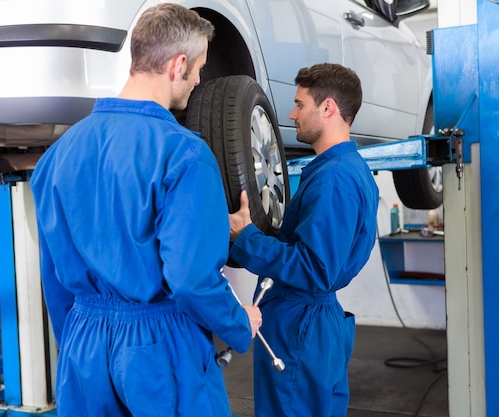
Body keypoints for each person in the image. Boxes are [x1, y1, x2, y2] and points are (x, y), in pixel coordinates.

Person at [30, 4, 262, 416]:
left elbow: (54, 276)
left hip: (83, 343)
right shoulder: (185, 154)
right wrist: (238, 323)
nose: (198, 81)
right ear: (178, 65)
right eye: (198, 69)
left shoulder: (56, 155)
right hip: (158, 346)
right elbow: (190, 280)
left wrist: (81, 346)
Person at [229, 63, 379, 417]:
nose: (292, 114)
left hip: (302, 326)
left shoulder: (334, 181)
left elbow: (315, 269)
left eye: (300, 104)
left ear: (327, 108)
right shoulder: (347, 169)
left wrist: (245, 237)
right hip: (313, 322)